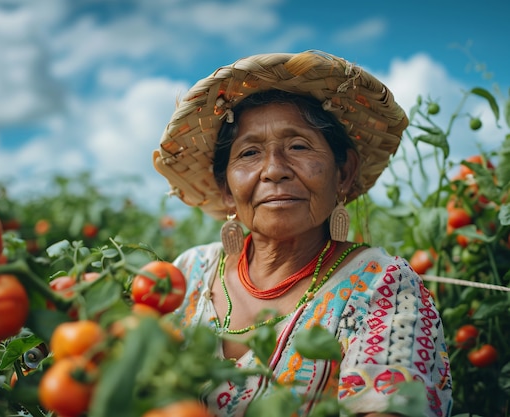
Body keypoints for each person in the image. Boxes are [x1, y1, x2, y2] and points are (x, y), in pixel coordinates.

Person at [152, 50, 452, 417]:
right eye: (249, 153)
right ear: (226, 188)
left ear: (343, 173)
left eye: (298, 146)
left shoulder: (382, 285)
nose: (274, 170)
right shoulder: (187, 273)